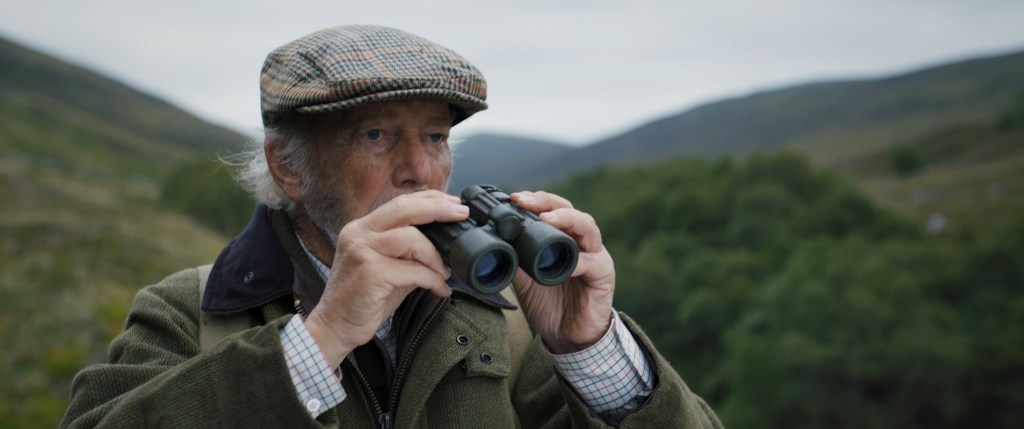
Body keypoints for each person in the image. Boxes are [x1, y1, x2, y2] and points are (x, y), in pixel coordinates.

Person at [59, 25, 722, 428]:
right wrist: (315, 344)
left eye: (435, 136)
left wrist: (590, 347)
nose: (418, 170)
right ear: (287, 167)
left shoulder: (506, 319)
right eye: (376, 135)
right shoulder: (188, 313)